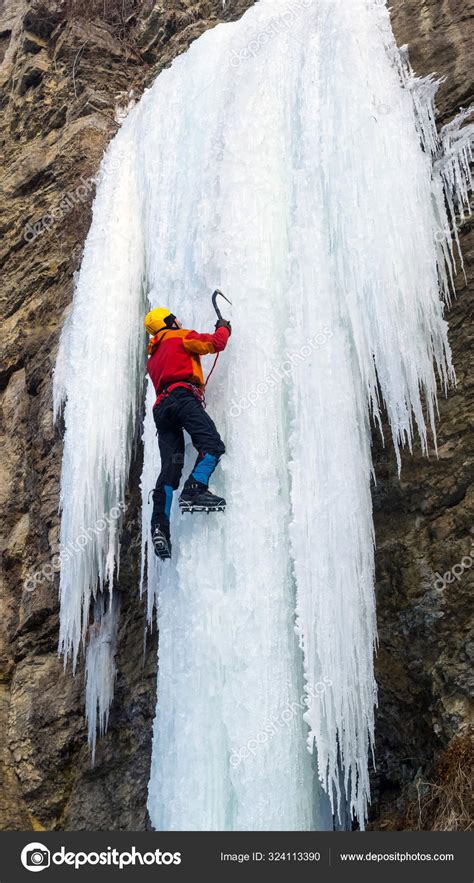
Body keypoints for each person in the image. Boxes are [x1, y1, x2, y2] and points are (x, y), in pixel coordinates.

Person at [144, 305, 231, 559]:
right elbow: (215, 344)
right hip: (182, 398)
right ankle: (195, 487)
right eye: (175, 319)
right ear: (169, 322)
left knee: (170, 469)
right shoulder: (179, 337)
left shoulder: (153, 357)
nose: (179, 321)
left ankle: (159, 526)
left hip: (162, 411)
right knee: (212, 445)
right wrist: (223, 328)